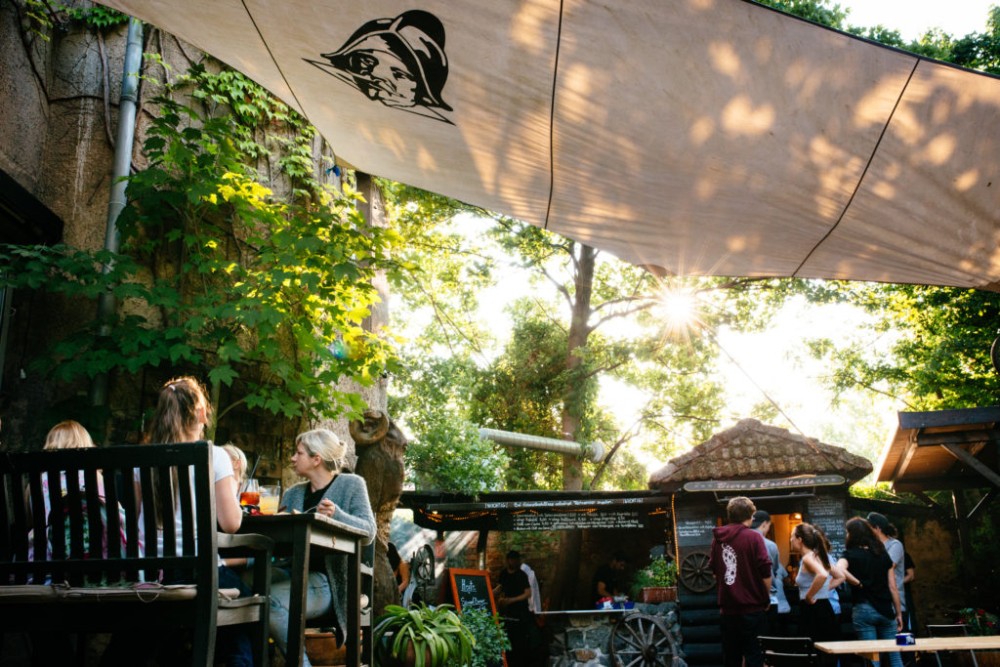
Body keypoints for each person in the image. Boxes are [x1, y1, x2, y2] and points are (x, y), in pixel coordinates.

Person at [103, 376, 251, 667]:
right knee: (245, 607)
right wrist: (231, 488)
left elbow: (134, 519)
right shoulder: (216, 455)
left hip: (147, 573)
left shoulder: (141, 459)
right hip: (197, 572)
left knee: (139, 638)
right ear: (199, 413)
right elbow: (232, 524)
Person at [270, 428, 376, 666]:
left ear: (316, 459)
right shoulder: (292, 493)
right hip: (291, 571)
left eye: (298, 453)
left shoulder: (352, 485)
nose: (292, 458)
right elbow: (280, 546)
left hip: (331, 580)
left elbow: (369, 531)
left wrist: (338, 515)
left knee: (269, 600)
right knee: (246, 586)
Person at [708, 496, 772, 667]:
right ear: (750, 516)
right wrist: (766, 598)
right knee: (755, 656)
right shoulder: (754, 538)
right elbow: (766, 572)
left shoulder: (718, 540)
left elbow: (715, 573)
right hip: (753, 609)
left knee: (731, 658)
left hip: (728, 611)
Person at [836, 517, 903, 667]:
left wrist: (857, 583)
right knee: (895, 656)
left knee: (872, 659)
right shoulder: (882, 554)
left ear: (851, 535)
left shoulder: (849, 554)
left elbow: (839, 569)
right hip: (886, 610)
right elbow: (893, 587)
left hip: (864, 609)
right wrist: (898, 613)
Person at [790, 523, 844, 650]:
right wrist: (823, 590)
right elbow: (841, 576)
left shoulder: (808, 558)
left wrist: (810, 595)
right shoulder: (819, 556)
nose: (791, 539)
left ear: (800, 539)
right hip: (825, 608)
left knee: (811, 654)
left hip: (813, 611)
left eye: (792, 536)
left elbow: (822, 574)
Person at [752, 510, 790, 635]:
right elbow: (774, 569)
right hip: (768, 600)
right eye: (768, 526)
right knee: (771, 638)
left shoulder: (740, 541)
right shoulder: (770, 545)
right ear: (764, 524)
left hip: (746, 600)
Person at [495, 549, 534, 667]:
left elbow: (528, 593)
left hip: (520, 612)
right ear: (508, 560)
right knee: (507, 638)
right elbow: (500, 588)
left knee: (519, 641)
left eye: (517, 560)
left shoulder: (522, 575)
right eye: (512, 560)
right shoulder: (503, 574)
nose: (514, 562)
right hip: (507, 612)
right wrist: (491, 593)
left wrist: (512, 600)